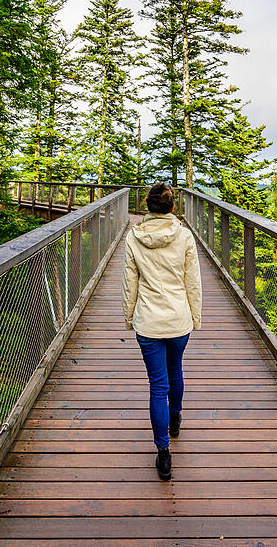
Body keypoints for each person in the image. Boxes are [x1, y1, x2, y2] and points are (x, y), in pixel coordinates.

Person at [122, 182, 202, 481]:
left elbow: (130, 282)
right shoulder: (184, 236)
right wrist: (194, 316)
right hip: (178, 319)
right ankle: (176, 417)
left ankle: (164, 454)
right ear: (171, 207)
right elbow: (192, 281)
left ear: (149, 207)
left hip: (148, 321)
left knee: (158, 384)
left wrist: (129, 317)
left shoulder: (134, 236)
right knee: (176, 368)